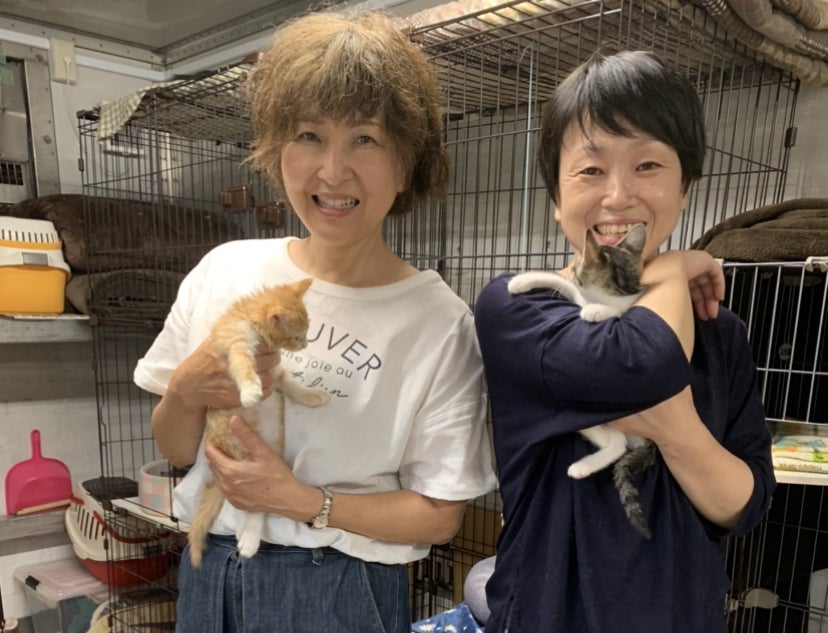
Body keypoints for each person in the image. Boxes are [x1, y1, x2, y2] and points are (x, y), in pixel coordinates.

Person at [133, 9, 497, 633]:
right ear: (278, 148)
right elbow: (174, 448)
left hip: (340, 584)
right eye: (308, 135)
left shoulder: (438, 321)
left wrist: (300, 501)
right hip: (209, 570)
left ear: (406, 161)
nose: (332, 171)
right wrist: (186, 392)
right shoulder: (225, 270)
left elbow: (439, 516)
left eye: (365, 139)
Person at [473, 50, 775, 632]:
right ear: (556, 197)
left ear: (684, 188)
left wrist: (672, 425)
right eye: (590, 170)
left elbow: (745, 504)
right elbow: (643, 361)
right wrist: (673, 267)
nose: (617, 195)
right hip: (548, 614)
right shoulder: (520, 307)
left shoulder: (721, 331)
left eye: (648, 165)